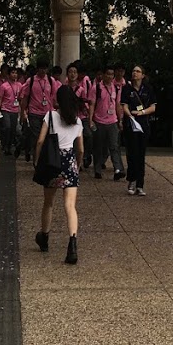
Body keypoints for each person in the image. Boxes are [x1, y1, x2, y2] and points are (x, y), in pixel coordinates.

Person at [33, 80, 84, 265]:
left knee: (48, 203)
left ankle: (44, 237)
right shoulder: (77, 121)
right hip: (69, 162)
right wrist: (76, 166)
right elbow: (81, 150)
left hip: (53, 162)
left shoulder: (51, 116)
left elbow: (40, 141)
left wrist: (37, 160)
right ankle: (72, 244)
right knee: (70, 206)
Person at [120, 65, 156, 196]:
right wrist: (130, 116)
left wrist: (142, 113)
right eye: (133, 71)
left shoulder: (148, 89)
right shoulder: (126, 89)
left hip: (143, 124)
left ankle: (140, 184)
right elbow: (124, 106)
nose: (135, 73)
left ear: (143, 75)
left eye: (138, 71)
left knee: (141, 155)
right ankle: (132, 181)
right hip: (131, 124)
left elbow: (153, 107)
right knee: (132, 153)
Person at [89, 63, 125, 181]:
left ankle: (118, 169)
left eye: (112, 74)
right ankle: (97, 169)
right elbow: (92, 104)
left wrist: (120, 120)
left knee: (114, 146)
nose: (110, 77)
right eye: (108, 74)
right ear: (103, 75)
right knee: (99, 146)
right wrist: (90, 120)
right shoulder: (97, 88)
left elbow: (118, 105)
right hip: (99, 120)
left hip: (112, 120)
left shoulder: (115, 88)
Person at [20, 56, 59, 161]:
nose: (43, 70)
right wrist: (23, 112)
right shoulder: (31, 81)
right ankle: (37, 159)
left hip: (48, 113)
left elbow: (55, 98)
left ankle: (44, 158)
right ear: (37, 68)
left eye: (45, 68)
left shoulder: (51, 81)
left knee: (46, 137)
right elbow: (25, 97)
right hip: (34, 113)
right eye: (41, 68)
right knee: (37, 138)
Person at [0, 63, 21, 155]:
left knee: (13, 130)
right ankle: (5, 145)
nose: (14, 75)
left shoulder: (19, 85)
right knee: (7, 127)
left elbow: (21, 98)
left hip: (15, 110)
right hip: (5, 109)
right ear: (8, 74)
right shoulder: (4, 86)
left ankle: (9, 146)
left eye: (16, 73)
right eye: (13, 73)